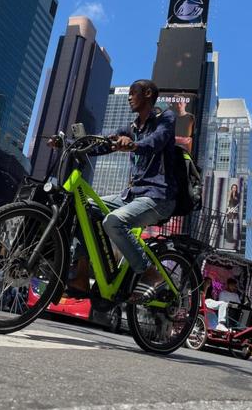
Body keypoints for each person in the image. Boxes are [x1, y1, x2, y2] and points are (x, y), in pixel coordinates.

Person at [57, 79, 177, 304]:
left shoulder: (165, 118)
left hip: (158, 196)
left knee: (113, 221)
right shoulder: (130, 128)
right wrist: (69, 143)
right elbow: (103, 144)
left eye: (133, 93)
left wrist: (133, 145)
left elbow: (156, 141)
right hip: (131, 196)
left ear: (148, 93)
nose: (129, 97)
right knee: (85, 208)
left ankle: (151, 274)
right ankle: (81, 275)